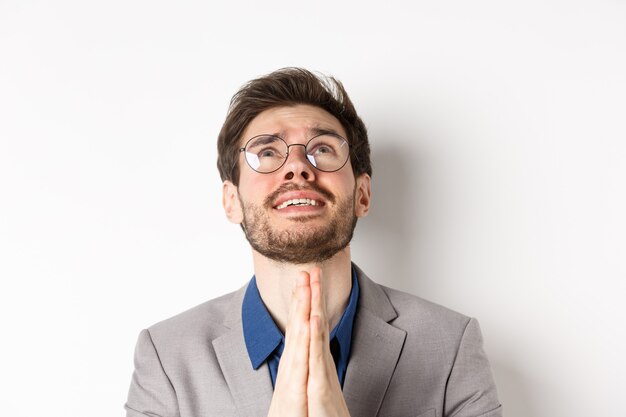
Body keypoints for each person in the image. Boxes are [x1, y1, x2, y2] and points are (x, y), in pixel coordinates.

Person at [125, 68, 503, 417]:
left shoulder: (451, 345)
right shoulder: (167, 358)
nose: (297, 166)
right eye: (267, 152)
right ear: (231, 201)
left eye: (322, 148)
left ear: (363, 195)